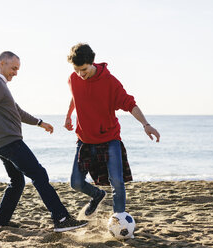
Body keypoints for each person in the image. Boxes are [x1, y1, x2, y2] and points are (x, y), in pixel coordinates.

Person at [0, 51, 87, 232]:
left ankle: (0, 222)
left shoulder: (1, 86)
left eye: (17, 69)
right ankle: (61, 218)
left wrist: (39, 123)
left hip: (2, 144)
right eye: (13, 68)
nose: (16, 73)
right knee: (39, 175)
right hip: (10, 143)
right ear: (2, 63)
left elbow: (17, 111)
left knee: (17, 182)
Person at [64, 43, 160, 218]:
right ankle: (97, 195)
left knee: (117, 181)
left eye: (83, 69)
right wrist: (68, 115)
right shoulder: (73, 78)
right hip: (84, 140)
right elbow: (75, 96)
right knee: (76, 183)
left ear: (92, 62)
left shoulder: (110, 82)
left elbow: (130, 104)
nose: (80, 74)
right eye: (77, 70)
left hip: (109, 139)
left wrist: (146, 124)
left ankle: (119, 218)